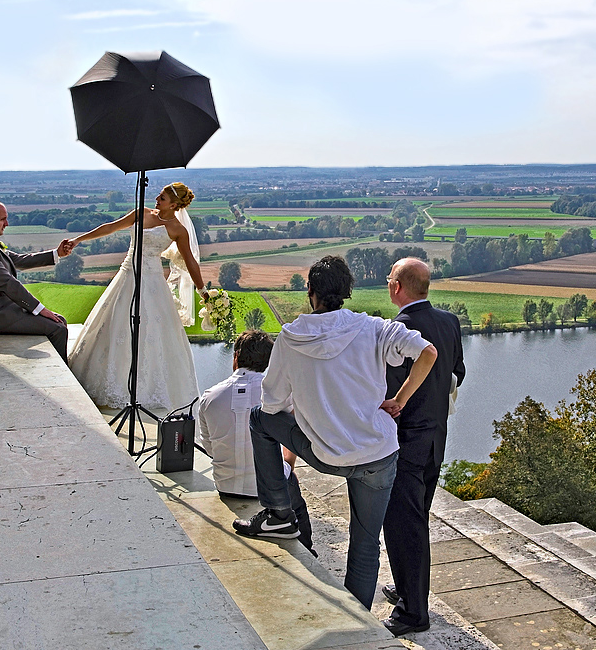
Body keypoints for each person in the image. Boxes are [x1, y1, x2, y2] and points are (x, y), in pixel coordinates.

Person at [232, 255, 438, 611]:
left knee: (258, 420)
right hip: (377, 453)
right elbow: (428, 352)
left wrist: (313, 407)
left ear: (310, 292)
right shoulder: (374, 327)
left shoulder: (290, 337)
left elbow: (271, 405)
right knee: (365, 544)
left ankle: (279, 513)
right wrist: (399, 400)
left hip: (323, 453)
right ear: (347, 292)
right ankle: (358, 626)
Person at [380, 257, 466, 636]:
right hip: (436, 438)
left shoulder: (398, 330)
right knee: (416, 518)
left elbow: (384, 390)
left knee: (404, 525)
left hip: (406, 442)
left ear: (397, 286)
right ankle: (404, 586)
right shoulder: (449, 322)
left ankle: (413, 613)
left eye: (388, 280)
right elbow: (457, 372)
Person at [66, 182, 207, 410]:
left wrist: (203, 291)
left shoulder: (177, 230)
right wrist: (78, 240)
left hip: (152, 282)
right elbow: (110, 227)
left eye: (162, 198)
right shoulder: (141, 213)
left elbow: (190, 261)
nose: (156, 199)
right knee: (114, 325)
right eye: (158, 195)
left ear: (174, 204)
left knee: (151, 334)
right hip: (126, 276)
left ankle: (143, 388)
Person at [197, 330, 313, 553]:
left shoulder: (208, 397)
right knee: (295, 497)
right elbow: (297, 436)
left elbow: (210, 448)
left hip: (225, 485)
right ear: (268, 362)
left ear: (236, 356)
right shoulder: (279, 395)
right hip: (268, 491)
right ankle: (307, 547)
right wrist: (288, 465)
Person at [0, 200, 72, 360]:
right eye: (2, 219)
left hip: (3, 311)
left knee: (60, 320)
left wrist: (57, 253)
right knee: (58, 329)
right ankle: (63, 377)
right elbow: (8, 283)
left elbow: (19, 260)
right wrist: (40, 309)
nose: (6, 223)